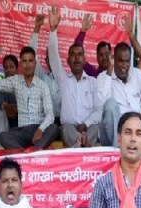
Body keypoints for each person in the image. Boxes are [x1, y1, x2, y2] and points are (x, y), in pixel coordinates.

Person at [46, 8, 101, 148]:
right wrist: (53, 30)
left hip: (88, 128)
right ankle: (82, 144)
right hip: (69, 129)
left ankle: (81, 143)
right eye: (73, 55)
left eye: (79, 55)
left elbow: (98, 110)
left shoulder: (93, 82)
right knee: (65, 128)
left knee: (96, 128)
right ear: (68, 60)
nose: (76, 58)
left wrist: (86, 124)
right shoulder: (63, 80)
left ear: (84, 60)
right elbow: (53, 57)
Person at [0, 45, 60, 150]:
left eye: (30, 61)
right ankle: (32, 153)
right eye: (24, 61)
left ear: (35, 63)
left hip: (38, 129)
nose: (28, 65)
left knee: (54, 128)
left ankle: (29, 152)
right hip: (22, 131)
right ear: (20, 64)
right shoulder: (15, 81)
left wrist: (40, 130)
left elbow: (50, 114)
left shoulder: (42, 86)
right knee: (3, 137)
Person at [96, 43, 141, 145]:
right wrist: (110, 71)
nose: (124, 65)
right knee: (110, 104)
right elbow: (101, 104)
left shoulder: (136, 74)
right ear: (113, 59)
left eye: (127, 61)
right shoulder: (103, 77)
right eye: (121, 61)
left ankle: (128, 144)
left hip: (134, 127)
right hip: (113, 131)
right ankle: (119, 146)